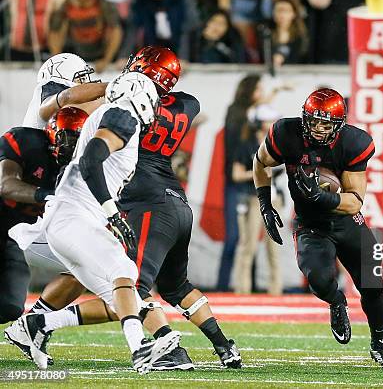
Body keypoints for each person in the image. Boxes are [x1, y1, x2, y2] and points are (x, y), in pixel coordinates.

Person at [21, 46, 242, 370]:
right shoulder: (184, 104)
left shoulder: (118, 113)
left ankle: (41, 324)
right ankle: (218, 347)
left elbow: (73, 128)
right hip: (173, 201)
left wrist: (105, 90)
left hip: (144, 203)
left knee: (128, 284)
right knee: (154, 284)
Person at [7, 72, 180, 373]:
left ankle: (35, 324)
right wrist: (112, 211)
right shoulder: (124, 116)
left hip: (72, 217)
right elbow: (90, 160)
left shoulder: (109, 112)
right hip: (75, 216)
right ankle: (140, 348)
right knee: (124, 272)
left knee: (126, 301)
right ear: (143, 99)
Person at [253, 88, 383, 368]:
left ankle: (379, 342)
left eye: (326, 123)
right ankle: (336, 301)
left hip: (345, 220)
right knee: (319, 280)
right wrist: (265, 203)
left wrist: (323, 197)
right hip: (311, 223)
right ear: (304, 117)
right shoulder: (286, 133)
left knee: (372, 284)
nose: (319, 129)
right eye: (313, 121)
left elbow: (355, 202)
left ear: (339, 124)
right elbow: (260, 161)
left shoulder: (354, 143)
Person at [0, 107, 86, 325]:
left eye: (78, 139)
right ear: (52, 132)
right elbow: (6, 185)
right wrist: (47, 195)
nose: (70, 145)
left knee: (9, 308)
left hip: (19, 237)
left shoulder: (83, 166)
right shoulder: (25, 141)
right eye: (66, 137)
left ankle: (30, 325)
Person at [217, 74, 265, 291]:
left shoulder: (251, 116)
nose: (262, 95)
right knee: (234, 237)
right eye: (259, 89)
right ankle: (222, 285)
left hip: (250, 186)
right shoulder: (236, 113)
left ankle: (248, 286)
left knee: (250, 241)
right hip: (236, 183)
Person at [233, 105, 282, 295]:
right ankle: (242, 291)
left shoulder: (277, 146)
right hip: (253, 199)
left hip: (274, 199)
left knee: (274, 247)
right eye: (270, 120)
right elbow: (236, 175)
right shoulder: (246, 144)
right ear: (260, 123)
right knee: (249, 246)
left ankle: (276, 292)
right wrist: (258, 173)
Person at [22, 52, 106, 131]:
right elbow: (66, 97)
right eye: (81, 78)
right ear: (64, 77)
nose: (85, 83)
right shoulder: (51, 87)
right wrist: (111, 88)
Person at [47, 0, 123, 72]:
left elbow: (116, 31)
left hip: (99, 52)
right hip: (75, 51)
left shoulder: (103, 4)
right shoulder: (66, 6)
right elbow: (54, 32)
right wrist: (57, 60)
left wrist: (106, 60)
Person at [268, 0, 308, 67]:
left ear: (294, 14)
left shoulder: (300, 36)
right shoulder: (266, 33)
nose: (282, 15)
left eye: (286, 11)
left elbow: (301, 59)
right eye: (279, 10)